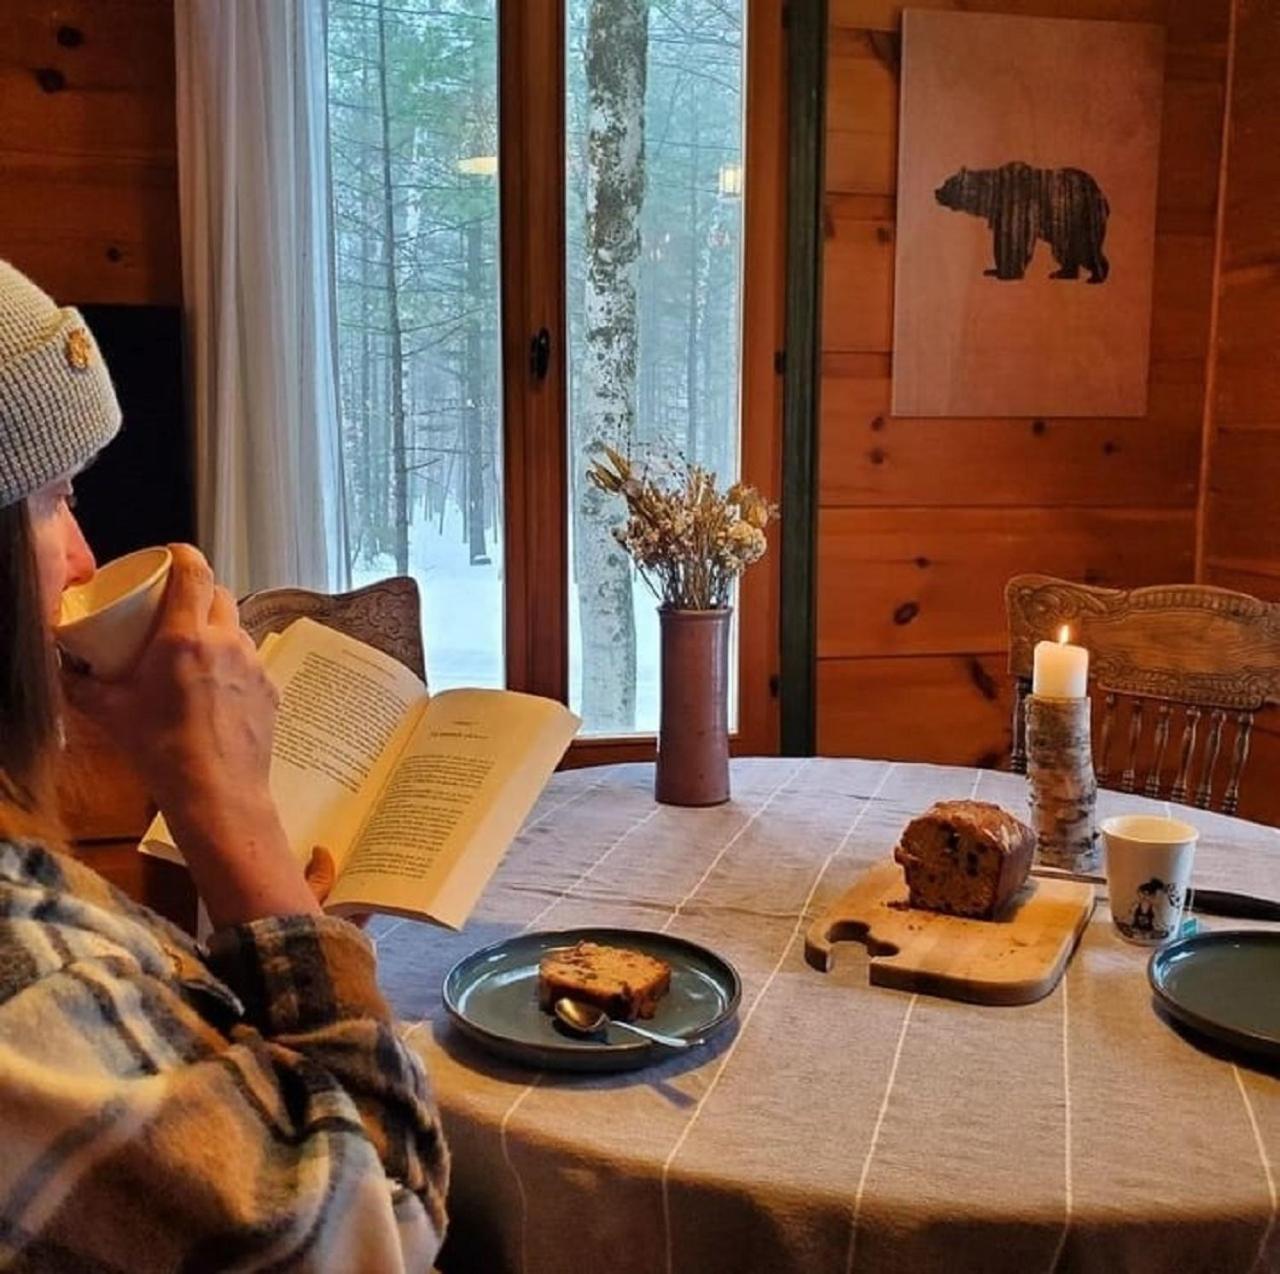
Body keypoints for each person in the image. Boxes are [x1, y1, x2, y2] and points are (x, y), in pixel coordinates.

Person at [0, 260, 448, 1270]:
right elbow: (384, 1226)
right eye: (53, 500)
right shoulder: (33, 980)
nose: (80, 556)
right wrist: (234, 814)